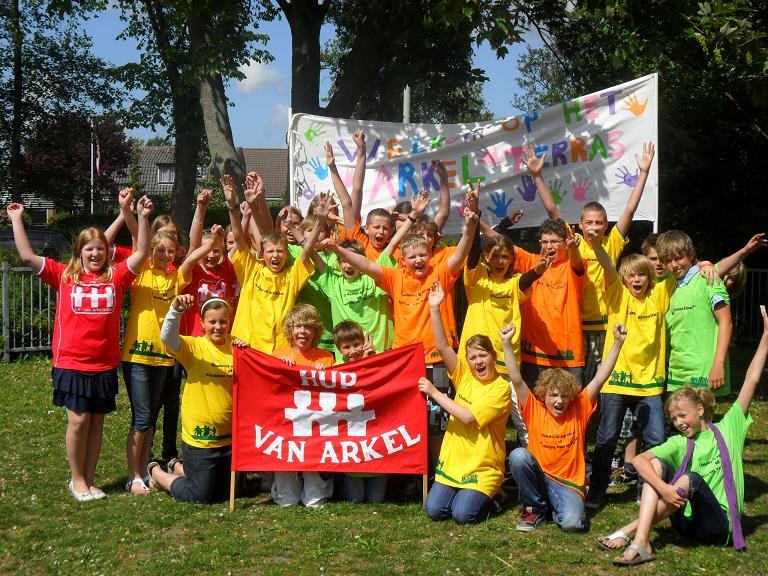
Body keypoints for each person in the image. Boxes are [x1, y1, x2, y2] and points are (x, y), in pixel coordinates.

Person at [6, 193, 151, 501]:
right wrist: (17, 220)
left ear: (107, 252)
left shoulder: (116, 277)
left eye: (101, 248)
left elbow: (142, 252)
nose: (96, 253)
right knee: (79, 420)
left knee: (96, 424)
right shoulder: (65, 276)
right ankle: (77, 480)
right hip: (71, 362)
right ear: (79, 252)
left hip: (104, 363)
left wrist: (139, 216)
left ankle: (89, 479)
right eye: (89, 248)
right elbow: (29, 257)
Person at [597, 305, 768, 566]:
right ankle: (641, 540)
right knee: (655, 464)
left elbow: (753, 378)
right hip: (686, 525)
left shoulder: (729, 427)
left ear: (700, 409)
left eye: (683, 416)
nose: (679, 423)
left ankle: (633, 535)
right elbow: (640, 461)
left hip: (719, 527)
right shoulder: (680, 442)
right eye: (674, 419)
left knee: (691, 478)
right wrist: (664, 488)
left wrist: (766, 333)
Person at [526, 142, 655, 383]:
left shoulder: (612, 242)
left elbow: (630, 209)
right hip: (575, 324)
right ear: (580, 225)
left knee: (603, 379)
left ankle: (601, 420)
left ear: (606, 226)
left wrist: (644, 172)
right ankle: (581, 420)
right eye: (589, 223)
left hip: (605, 324)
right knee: (577, 380)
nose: (594, 227)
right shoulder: (572, 241)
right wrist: (537, 175)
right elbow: (552, 209)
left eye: (599, 223)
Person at [121, 224, 223, 494]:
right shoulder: (140, 272)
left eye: (169, 250)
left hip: (164, 358)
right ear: (151, 251)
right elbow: (138, 243)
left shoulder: (176, 276)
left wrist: (216, 243)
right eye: (160, 250)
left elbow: (191, 258)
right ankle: (133, 476)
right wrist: (138, 216)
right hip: (137, 357)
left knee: (150, 418)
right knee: (141, 418)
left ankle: (145, 469)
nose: (165, 255)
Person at [504, 321, 627, 532]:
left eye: (564, 396)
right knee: (518, 456)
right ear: (544, 395)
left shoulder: (578, 409)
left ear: (571, 397)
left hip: (568, 484)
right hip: (540, 477)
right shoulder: (535, 408)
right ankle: (535, 507)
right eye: (553, 395)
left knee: (573, 524)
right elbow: (516, 379)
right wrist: (506, 343)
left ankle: (553, 507)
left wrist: (617, 343)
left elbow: (600, 378)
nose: (559, 401)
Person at [585, 233, 675, 509]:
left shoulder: (660, 295)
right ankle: (597, 491)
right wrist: (598, 245)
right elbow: (607, 267)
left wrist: (707, 265)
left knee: (656, 439)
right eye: (631, 276)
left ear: (650, 276)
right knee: (607, 437)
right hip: (616, 383)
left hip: (649, 384)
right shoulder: (617, 294)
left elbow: (682, 270)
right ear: (624, 279)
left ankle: (645, 490)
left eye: (641, 275)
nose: (636, 280)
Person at [420, 282, 511, 524]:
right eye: (472, 357)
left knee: (463, 515)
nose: (478, 361)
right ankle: (464, 495)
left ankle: (496, 496)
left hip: (483, 468)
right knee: (435, 511)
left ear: (494, 357)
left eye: (483, 355)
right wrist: (435, 308)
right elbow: (441, 346)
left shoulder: (501, 388)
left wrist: (435, 393)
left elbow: (469, 417)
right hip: (454, 463)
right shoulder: (465, 376)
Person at [147, 295, 246, 502]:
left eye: (223, 321)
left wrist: (246, 351)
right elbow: (167, 338)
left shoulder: (236, 346)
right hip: (202, 436)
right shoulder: (193, 347)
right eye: (212, 322)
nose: (218, 327)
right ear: (202, 324)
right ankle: (157, 473)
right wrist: (175, 310)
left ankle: (177, 467)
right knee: (199, 495)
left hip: (230, 436)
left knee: (231, 492)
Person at [223, 175, 332, 352]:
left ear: (287, 253)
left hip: (280, 353)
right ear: (262, 254)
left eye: (280, 251)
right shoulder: (251, 270)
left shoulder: (292, 275)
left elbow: (307, 250)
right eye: (271, 251)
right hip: (246, 348)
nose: (275, 255)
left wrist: (320, 221)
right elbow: (238, 237)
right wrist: (231, 205)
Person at [462, 230, 543, 447]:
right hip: (477, 364)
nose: (500, 261)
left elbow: (523, 282)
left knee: (523, 421)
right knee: (479, 418)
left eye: (505, 256)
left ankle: (533, 468)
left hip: (507, 366)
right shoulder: (476, 277)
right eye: (495, 255)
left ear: (512, 260)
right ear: (486, 256)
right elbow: (471, 256)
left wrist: (536, 271)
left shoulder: (514, 281)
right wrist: (473, 220)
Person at [271, 304, 335, 507]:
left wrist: (324, 374)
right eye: (298, 326)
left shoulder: (327, 357)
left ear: (316, 331)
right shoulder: (278, 354)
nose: (303, 332)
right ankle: (283, 488)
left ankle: (318, 487)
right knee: (287, 501)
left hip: (315, 425)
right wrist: (279, 369)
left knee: (314, 502)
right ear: (291, 329)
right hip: (286, 423)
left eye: (308, 327)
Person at [657, 230, 732, 398]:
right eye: (668, 261)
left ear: (691, 254)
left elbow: (726, 322)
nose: (674, 265)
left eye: (678, 258)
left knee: (701, 423)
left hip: (703, 372)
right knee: (680, 422)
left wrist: (718, 363)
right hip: (676, 373)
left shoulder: (708, 280)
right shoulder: (668, 287)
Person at [516, 218, 587, 385]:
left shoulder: (572, 264)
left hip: (567, 356)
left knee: (570, 408)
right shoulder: (531, 262)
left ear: (565, 243)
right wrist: (477, 220)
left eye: (554, 241)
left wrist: (573, 249)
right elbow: (501, 244)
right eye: (545, 241)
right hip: (533, 354)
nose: (549, 246)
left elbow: (577, 261)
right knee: (533, 409)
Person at [333, 321, 384, 503]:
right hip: (350, 444)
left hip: (374, 443)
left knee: (376, 499)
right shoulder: (335, 369)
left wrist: (370, 359)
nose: (353, 351)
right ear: (339, 349)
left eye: (356, 345)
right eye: (346, 347)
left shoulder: (375, 360)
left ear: (364, 342)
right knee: (356, 498)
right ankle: (338, 480)